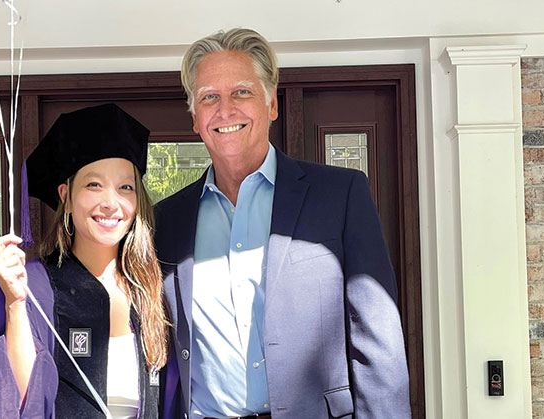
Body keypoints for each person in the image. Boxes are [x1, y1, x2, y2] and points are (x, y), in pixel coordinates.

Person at [155, 28, 410, 419]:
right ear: (194, 118)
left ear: (272, 103)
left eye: (241, 92)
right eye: (209, 97)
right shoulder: (167, 220)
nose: (225, 110)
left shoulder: (339, 195)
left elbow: (379, 347)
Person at [0, 104, 168, 419]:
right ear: (65, 196)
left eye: (126, 187)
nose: (111, 202)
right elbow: (11, 399)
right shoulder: (31, 287)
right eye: (94, 184)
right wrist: (15, 304)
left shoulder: (151, 287)